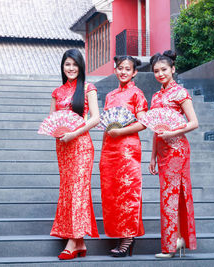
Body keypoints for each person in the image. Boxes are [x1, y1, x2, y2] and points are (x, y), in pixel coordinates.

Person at [49, 48, 100, 260]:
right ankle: (80, 242)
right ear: (63, 67)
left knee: (79, 190)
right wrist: (59, 131)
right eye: (67, 64)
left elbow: (95, 118)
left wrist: (74, 133)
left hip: (81, 145)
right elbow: (51, 120)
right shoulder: (57, 92)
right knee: (69, 191)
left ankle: (72, 240)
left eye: (74, 64)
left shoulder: (88, 88)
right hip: (63, 147)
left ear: (81, 67)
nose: (71, 68)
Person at [148, 50, 198, 258]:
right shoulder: (155, 96)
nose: (160, 74)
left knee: (171, 196)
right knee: (167, 195)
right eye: (156, 71)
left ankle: (171, 244)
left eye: (164, 69)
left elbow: (194, 123)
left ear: (173, 69)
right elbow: (154, 127)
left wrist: (172, 132)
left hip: (177, 149)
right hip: (161, 150)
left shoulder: (181, 93)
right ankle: (177, 238)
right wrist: (152, 156)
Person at [99, 55, 148, 257]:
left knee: (128, 192)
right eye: (120, 68)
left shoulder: (137, 94)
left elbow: (144, 123)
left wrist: (121, 132)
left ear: (134, 72)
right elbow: (106, 122)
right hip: (109, 148)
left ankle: (128, 237)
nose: (123, 72)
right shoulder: (110, 95)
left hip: (128, 148)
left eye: (127, 69)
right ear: (115, 70)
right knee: (111, 192)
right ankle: (119, 233)